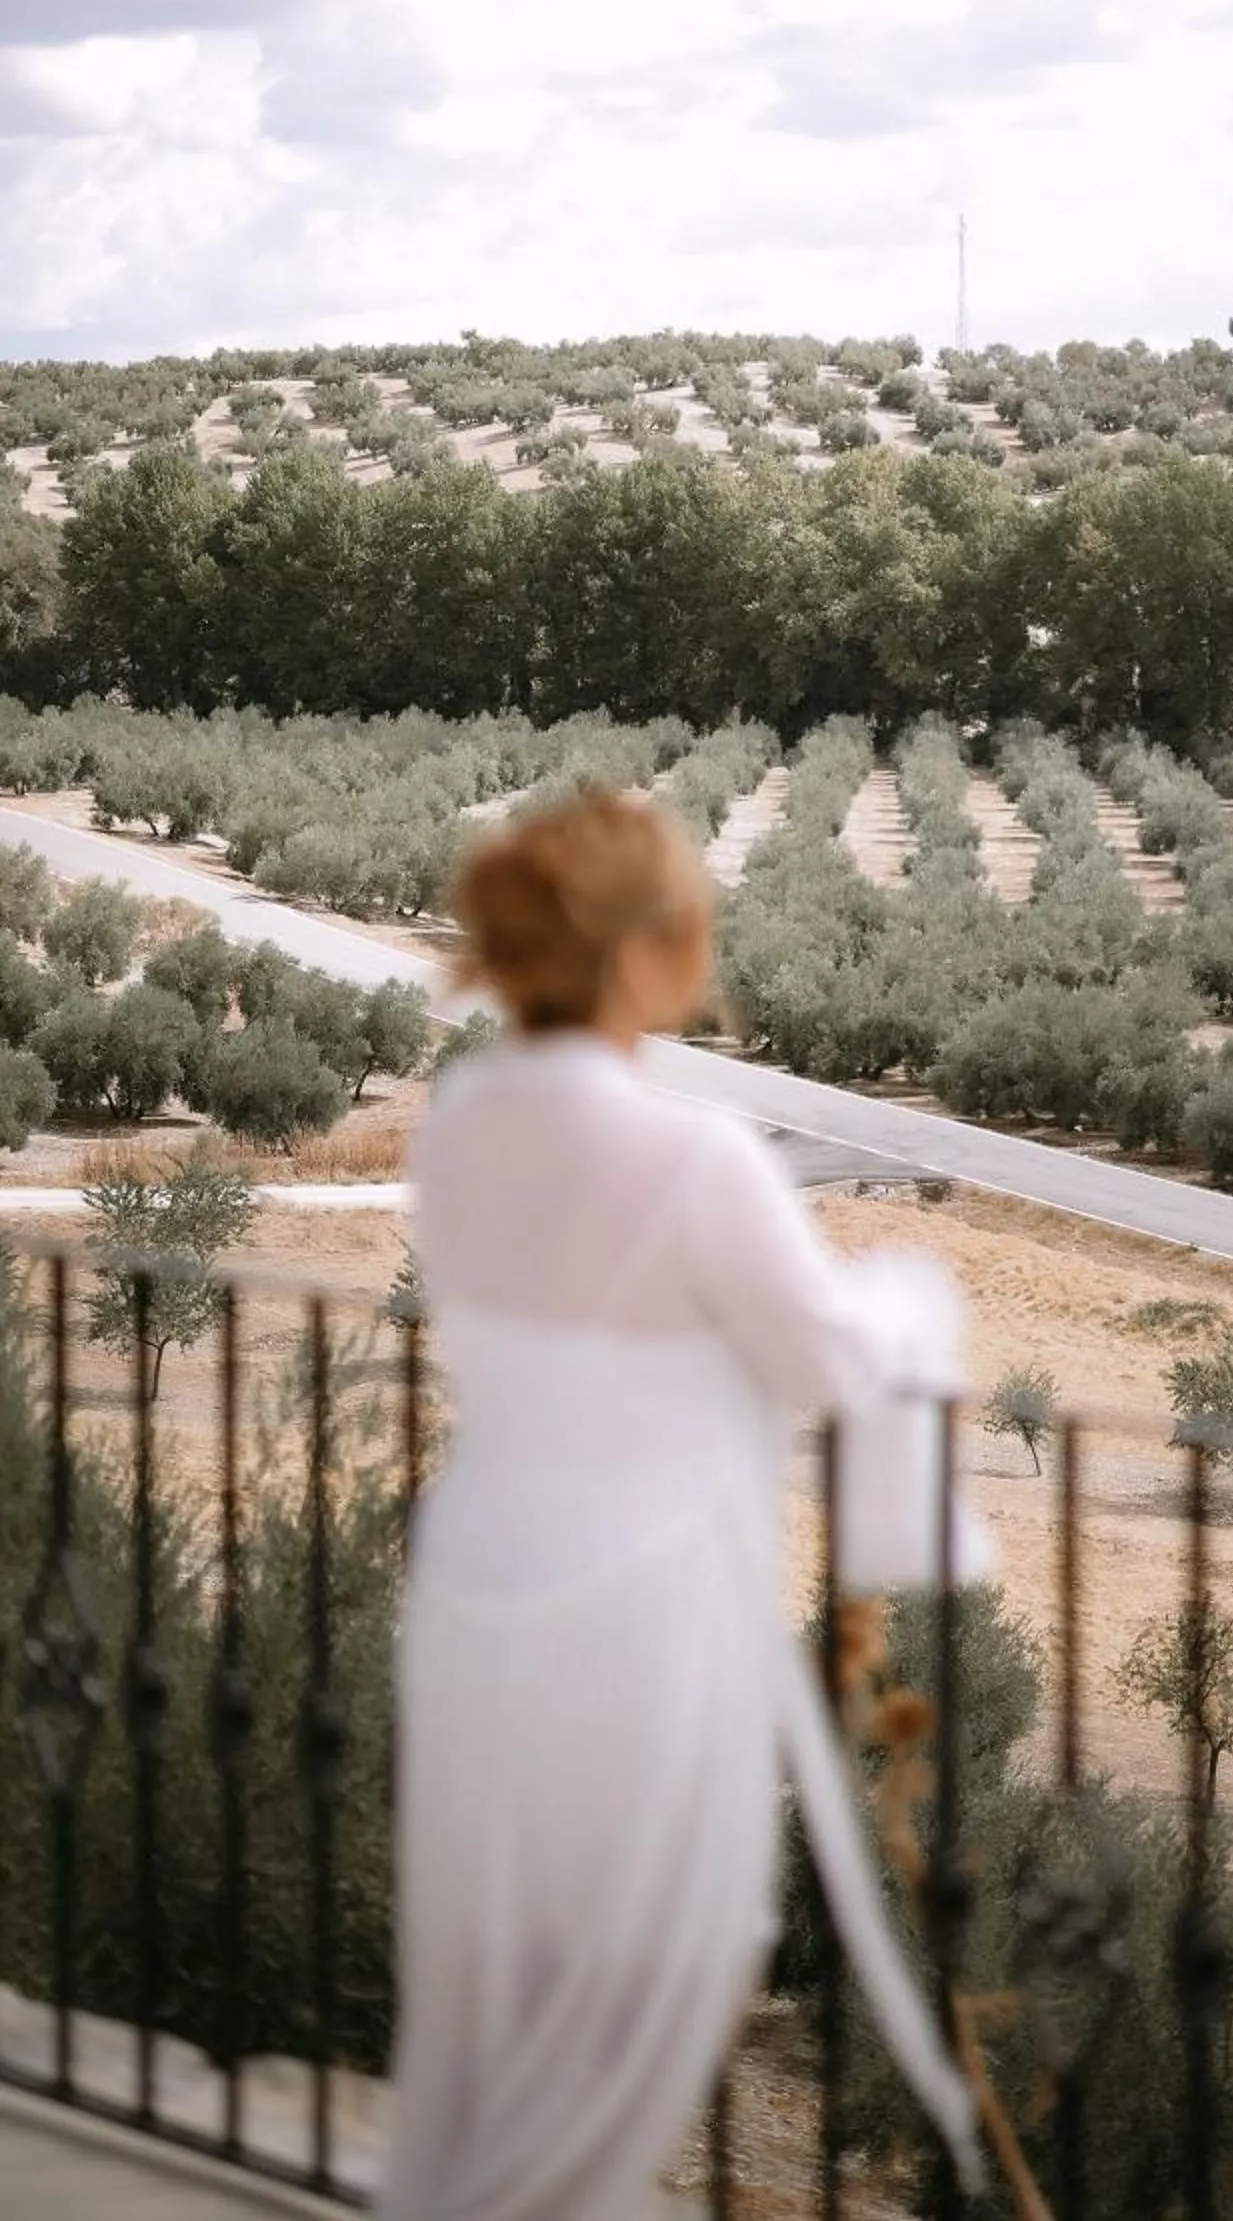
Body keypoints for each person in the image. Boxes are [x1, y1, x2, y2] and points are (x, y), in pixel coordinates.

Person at [376, 786, 980, 2221]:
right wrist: (913, 1299)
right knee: (661, 1958)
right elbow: (828, 1357)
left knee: (493, 1969)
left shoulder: (459, 1117)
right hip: (636, 1613)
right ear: (645, 950)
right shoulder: (693, 1156)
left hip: (476, 1583)